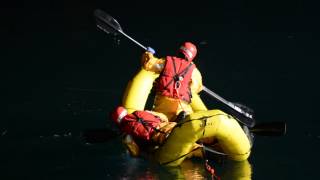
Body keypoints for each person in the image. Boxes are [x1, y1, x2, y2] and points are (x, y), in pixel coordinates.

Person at [141, 42, 206, 121]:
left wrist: (148, 53)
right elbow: (197, 88)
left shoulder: (166, 62)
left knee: (161, 119)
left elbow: (149, 64)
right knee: (188, 118)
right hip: (181, 104)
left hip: (163, 103)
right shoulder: (194, 71)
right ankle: (182, 120)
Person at [111, 106, 177, 156]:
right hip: (171, 126)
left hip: (160, 137)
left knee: (146, 149)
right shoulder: (141, 112)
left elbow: (135, 152)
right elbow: (163, 117)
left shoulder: (126, 132)